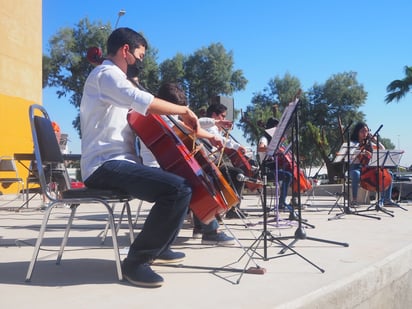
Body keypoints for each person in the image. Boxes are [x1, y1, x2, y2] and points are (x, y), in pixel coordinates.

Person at [80, 28, 200, 288]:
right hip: (103, 166)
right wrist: (184, 110)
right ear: (126, 50)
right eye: (140, 55)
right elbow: (140, 99)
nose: (141, 61)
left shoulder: (113, 80)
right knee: (178, 189)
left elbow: (144, 112)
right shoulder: (106, 74)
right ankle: (136, 262)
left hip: (117, 163)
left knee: (179, 184)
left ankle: (160, 246)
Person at [138, 82, 235, 245]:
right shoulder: (160, 118)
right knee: (195, 182)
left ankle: (202, 226)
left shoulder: (166, 117)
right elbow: (189, 127)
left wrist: (211, 136)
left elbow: (191, 127)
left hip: (167, 164)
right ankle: (209, 230)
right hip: (156, 167)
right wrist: (210, 132)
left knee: (197, 177)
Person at [199, 103, 248, 219]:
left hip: (214, 163)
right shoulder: (208, 126)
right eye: (223, 116)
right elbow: (218, 138)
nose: (224, 119)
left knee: (236, 173)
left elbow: (223, 138)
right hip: (207, 164)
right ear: (214, 115)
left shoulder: (216, 128)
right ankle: (230, 209)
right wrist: (236, 146)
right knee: (237, 174)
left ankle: (231, 208)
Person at [349, 121, 398, 208]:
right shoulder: (353, 143)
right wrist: (362, 152)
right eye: (362, 131)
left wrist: (375, 140)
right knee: (356, 174)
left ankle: (386, 199)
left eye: (366, 131)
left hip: (369, 168)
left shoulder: (369, 144)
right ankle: (354, 200)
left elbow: (382, 149)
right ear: (357, 132)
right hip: (356, 168)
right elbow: (350, 155)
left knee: (389, 174)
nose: (365, 133)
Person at [257, 117, 294, 219]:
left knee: (288, 174)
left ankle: (284, 202)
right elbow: (260, 147)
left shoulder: (273, 140)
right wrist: (271, 148)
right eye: (276, 127)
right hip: (266, 170)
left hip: (274, 168)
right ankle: (282, 203)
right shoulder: (264, 138)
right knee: (287, 175)